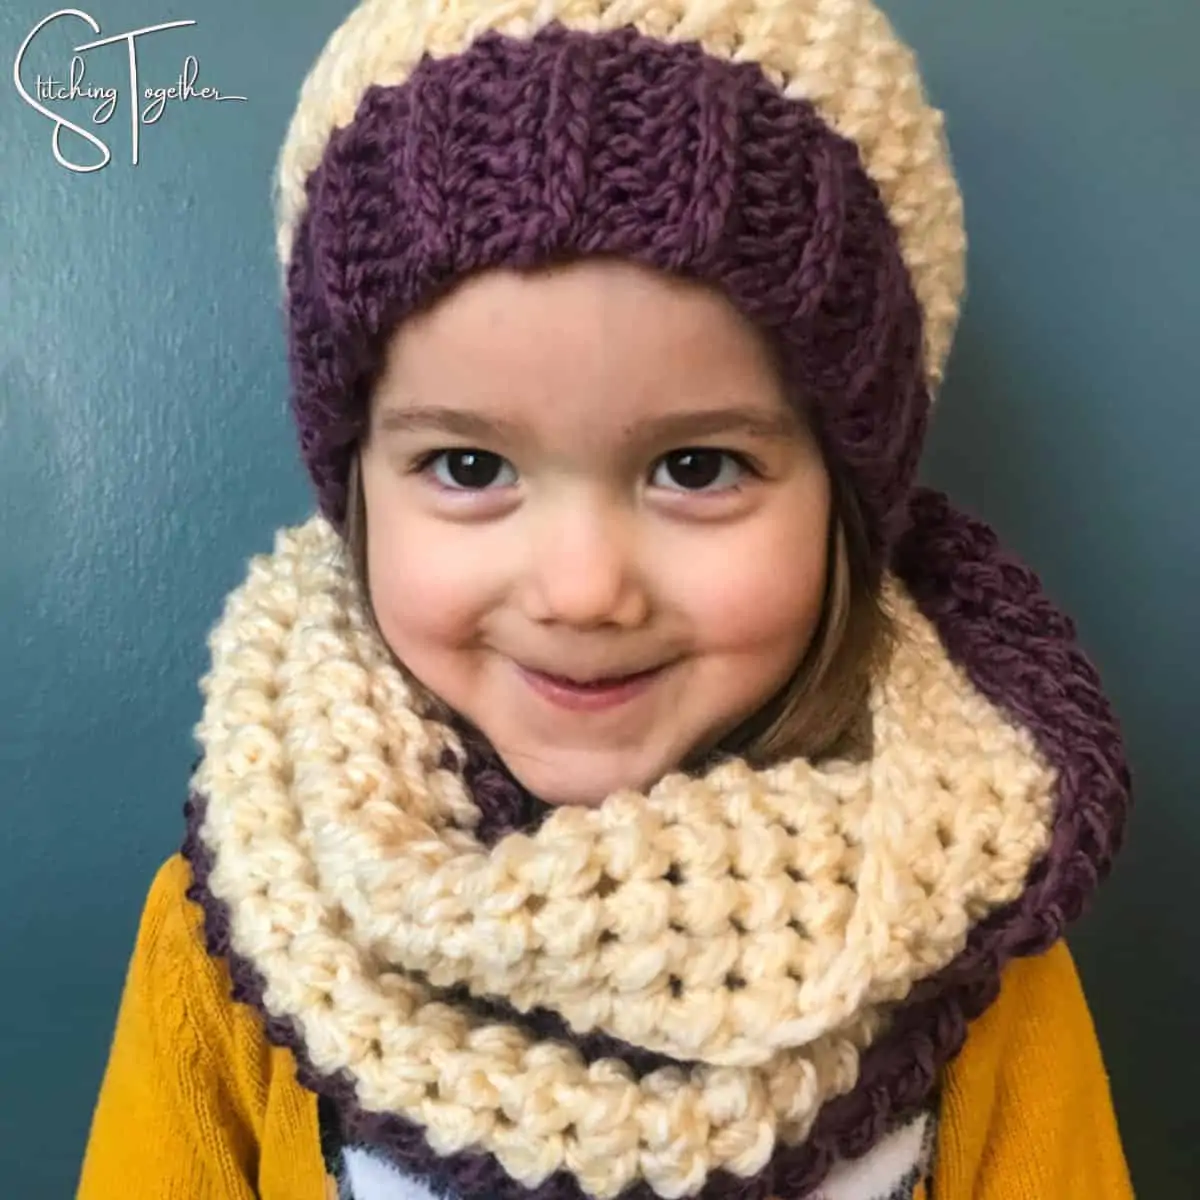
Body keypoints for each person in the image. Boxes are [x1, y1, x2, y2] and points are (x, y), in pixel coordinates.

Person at [77, 1, 1135, 1197]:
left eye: (696, 467)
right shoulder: (241, 933)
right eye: (470, 468)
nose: (582, 589)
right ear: (353, 483)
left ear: (850, 494)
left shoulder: (969, 936)